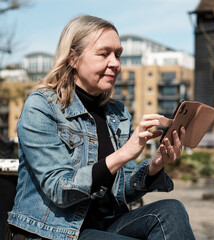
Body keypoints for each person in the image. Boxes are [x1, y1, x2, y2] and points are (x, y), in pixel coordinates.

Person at [7, 15, 195, 240]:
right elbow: (59, 189)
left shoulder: (118, 113)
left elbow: (123, 190)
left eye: (118, 54)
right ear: (73, 58)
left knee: (171, 211)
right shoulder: (42, 106)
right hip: (53, 232)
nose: (115, 63)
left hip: (106, 225)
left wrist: (154, 166)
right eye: (104, 53)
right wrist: (124, 153)